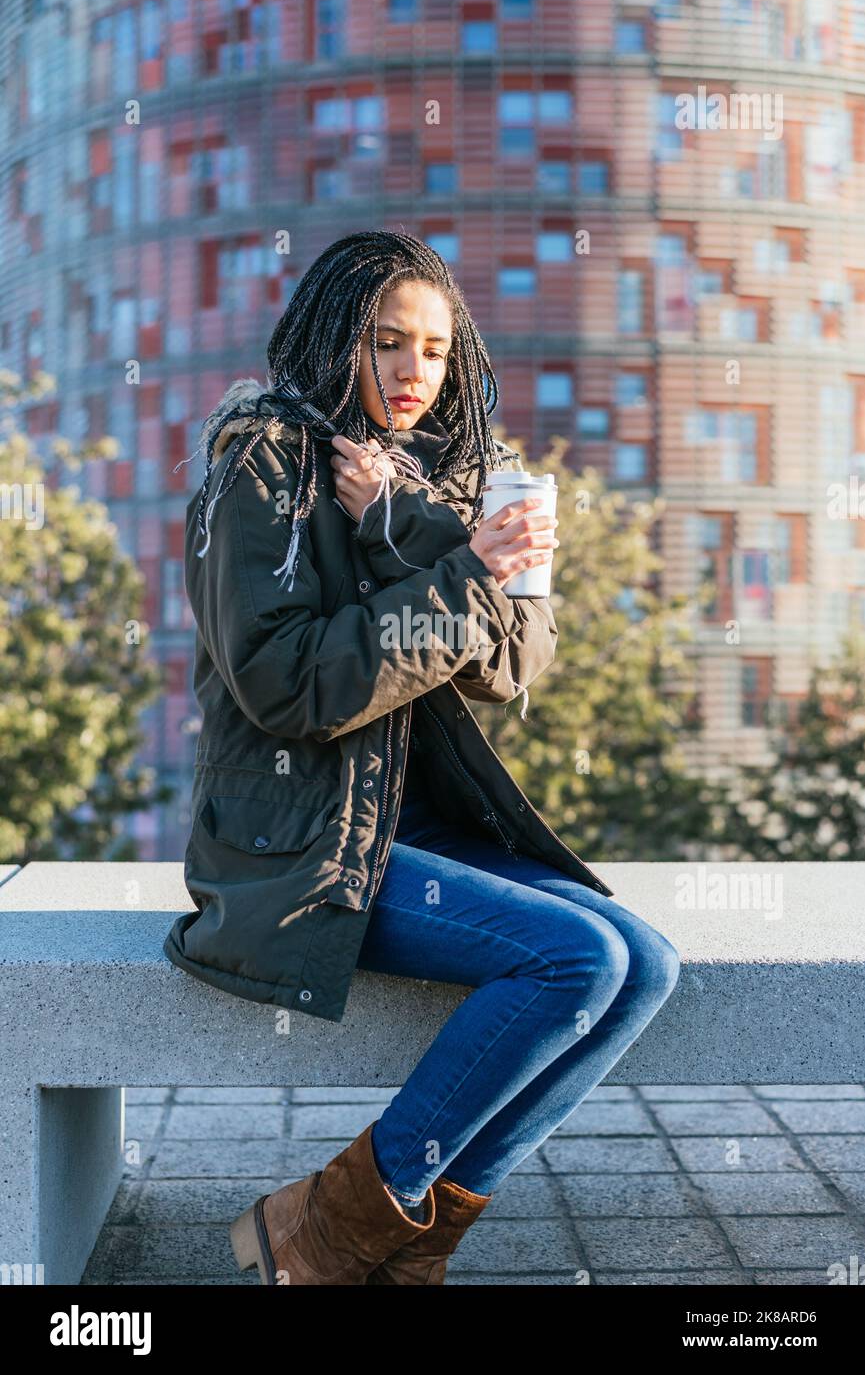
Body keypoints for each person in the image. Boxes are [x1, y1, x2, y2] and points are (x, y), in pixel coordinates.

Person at [167, 230, 681, 1285]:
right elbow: (290, 684)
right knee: (575, 958)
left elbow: (514, 662)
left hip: (416, 828)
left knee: (645, 964)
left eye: (436, 351)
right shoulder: (266, 463)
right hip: (298, 842)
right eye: (387, 343)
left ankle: (404, 1251)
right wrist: (463, 575)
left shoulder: (455, 477)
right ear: (332, 337)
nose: (414, 373)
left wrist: (417, 531)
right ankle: (327, 1227)